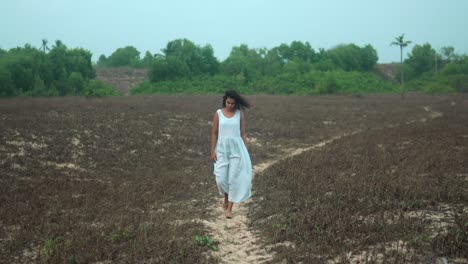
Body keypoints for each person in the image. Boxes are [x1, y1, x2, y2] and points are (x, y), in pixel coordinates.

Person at [210, 90, 252, 219]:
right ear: (225, 101)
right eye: (228, 103)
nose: (230, 105)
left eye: (233, 103)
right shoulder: (218, 113)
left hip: (236, 150)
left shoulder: (240, 114)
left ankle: (229, 208)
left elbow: (243, 133)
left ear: (236, 104)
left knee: (233, 178)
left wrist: (245, 148)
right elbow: (214, 133)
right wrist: (212, 150)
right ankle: (226, 196)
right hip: (222, 149)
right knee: (221, 178)